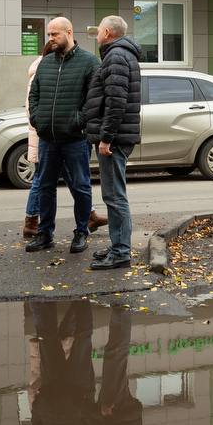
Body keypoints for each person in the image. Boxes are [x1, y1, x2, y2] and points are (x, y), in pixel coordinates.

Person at [25, 17, 99, 255]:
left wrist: (78, 121)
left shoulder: (89, 62)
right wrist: (38, 119)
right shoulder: (46, 63)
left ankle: (81, 232)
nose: (51, 39)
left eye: (55, 34)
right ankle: (45, 233)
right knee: (45, 187)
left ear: (69, 32)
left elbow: (94, 100)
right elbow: (34, 95)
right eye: (49, 34)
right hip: (48, 138)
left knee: (81, 186)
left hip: (75, 139)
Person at [83, 16, 142, 271]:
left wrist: (106, 138)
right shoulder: (121, 54)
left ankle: (120, 253)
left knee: (114, 196)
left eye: (98, 31)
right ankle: (118, 245)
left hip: (114, 139)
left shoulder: (116, 56)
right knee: (114, 195)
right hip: (117, 136)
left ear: (107, 32)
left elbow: (116, 102)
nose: (96, 35)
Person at [29, 299, 97, 425]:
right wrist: (78, 406)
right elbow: (96, 424)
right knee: (83, 340)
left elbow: (37, 424)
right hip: (79, 388)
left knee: (46, 338)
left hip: (51, 386)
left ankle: (40, 298)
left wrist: (39, 402)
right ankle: (83, 297)